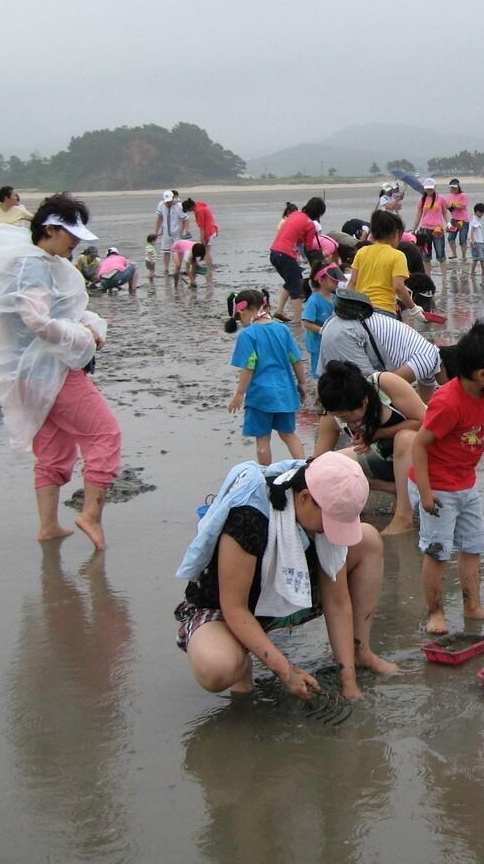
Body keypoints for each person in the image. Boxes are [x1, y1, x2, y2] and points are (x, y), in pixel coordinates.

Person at [174, 452, 397, 700]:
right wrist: (286, 671)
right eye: (330, 521)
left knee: (368, 540)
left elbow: (337, 601)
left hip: (284, 593)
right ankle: (240, 660)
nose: (330, 531)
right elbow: (234, 607)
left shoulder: (319, 502)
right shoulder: (249, 517)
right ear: (304, 498)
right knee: (217, 668)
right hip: (226, 610)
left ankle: (359, 651)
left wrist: (348, 681)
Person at [0, 193, 121, 550]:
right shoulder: (35, 265)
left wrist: (87, 325)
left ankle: (48, 527)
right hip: (49, 371)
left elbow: (62, 312)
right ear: (50, 229)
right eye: (70, 234)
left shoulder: (33, 260)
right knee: (104, 434)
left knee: (54, 448)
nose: (75, 241)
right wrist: (84, 337)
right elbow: (37, 321)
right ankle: (90, 514)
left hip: (26, 374)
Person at [410, 322, 484, 634]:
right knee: (437, 551)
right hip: (436, 486)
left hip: (465, 483)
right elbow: (418, 445)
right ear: (481, 374)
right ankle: (435, 613)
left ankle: (472, 605)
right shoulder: (448, 403)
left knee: (473, 545)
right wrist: (424, 493)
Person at [315, 360, 427, 535]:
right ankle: (398, 489)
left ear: (365, 401)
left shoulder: (385, 385)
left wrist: (376, 434)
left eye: (349, 415)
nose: (348, 421)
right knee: (329, 465)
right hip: (389, 462)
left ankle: (403, 518)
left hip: (427, 458)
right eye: (339, 416)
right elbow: (316, 463)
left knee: (405, 438)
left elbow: (424, 422)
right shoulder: (331, 418)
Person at [226, 289, 309, 465]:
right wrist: (302, 384)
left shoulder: (248, 335)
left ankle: (266, 476)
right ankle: (304, 469)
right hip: (285, 392)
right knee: (288, 434)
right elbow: (296, 360)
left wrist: (240, 393)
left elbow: (248, 367)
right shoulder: (282, 329)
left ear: (242, 311)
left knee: (262, 439)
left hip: (260, 396)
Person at [318, 291, 444, 386]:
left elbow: (427, 404)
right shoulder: (426, 360)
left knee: (334, 391)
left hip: (339, 326)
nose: (448, 388)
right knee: (361, 389)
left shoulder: (430, 358)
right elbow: (389, 386)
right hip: (345, 334)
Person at [348, 210, 419, 318]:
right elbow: (399, 287)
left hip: (362, 311)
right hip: (384, 311)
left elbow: (352, 284)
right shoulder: (397, 256)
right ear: (396, 233)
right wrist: (413, 308)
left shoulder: (361, 252)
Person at [269, 196, 328, 323]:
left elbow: (293, 235)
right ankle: (297, 320)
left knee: (290, 281)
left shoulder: (295, 215)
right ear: (318, 213)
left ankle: (279, 311)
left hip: (274, 252)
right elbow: (308, 248)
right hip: (285, 254)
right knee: (297, 284)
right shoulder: (310, 224)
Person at [301, 264, 343, 377]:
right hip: (317, 343)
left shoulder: (335, 298)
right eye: (333, 280)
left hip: (333, 342)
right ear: (321, 280)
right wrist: (322, 330)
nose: (337, 282)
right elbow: (306, 322)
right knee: (320, 373)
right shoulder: (314, 300)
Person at [411, 179, 449, 278]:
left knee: (441, 254)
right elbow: (418, 215)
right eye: (427, 189)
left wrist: (448, 223)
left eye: (431, 189)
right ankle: (428, 277)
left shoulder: (440, 199)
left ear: (434, 187)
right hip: (424, 229)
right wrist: (413, 229)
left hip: (438, 230)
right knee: (426, 256)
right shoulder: (422, 200)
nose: (429, 191)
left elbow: (445, 212)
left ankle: (444, 278)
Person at [153, 190, 189, 276]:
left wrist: (185, 231)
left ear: (173, 199)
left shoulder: (179, 206)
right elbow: (160, 218)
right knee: (166, 251)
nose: (168, 204)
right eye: (166, 202)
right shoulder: (161, 205)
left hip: (177, 233)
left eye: (169, 202)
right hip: (166, 232)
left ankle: (178, 267)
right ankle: (166, 269)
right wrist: (156, 231)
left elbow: (185, 219)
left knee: (178, 251)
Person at [182, 197, 219, 269]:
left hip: (209, 231)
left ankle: (209, 267)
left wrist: (202, 238)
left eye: (188, 210)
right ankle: (210, 266)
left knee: (206, 252)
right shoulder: (200, 205)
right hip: (212, 228)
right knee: (207, 251)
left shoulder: (198, 211)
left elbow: (202, 226)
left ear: (190, 207)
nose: (189, 211)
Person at [443, 179, 471, 260]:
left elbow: (463, 206)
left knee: (462, 239)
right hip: (453, 220)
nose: (453, 189)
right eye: (452, 188)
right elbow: (447, 206)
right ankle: (454, 254)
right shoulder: (449, 196)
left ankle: (464, 256)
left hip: (463, 220)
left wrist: (453, 205)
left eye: (455, 188)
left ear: (458, 187)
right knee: (450, 238)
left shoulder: (463, 195)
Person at [467, 202, 484, 280]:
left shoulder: (476, 219)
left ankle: (482, 271)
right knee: (477, 258)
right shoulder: (475, 220)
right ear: (477, 212)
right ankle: (475, 272)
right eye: (482, 213)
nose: (482, 214)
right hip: (476, 242)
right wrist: (472, 240)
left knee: (480, 257)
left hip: (479, 241)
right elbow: (472, 230)